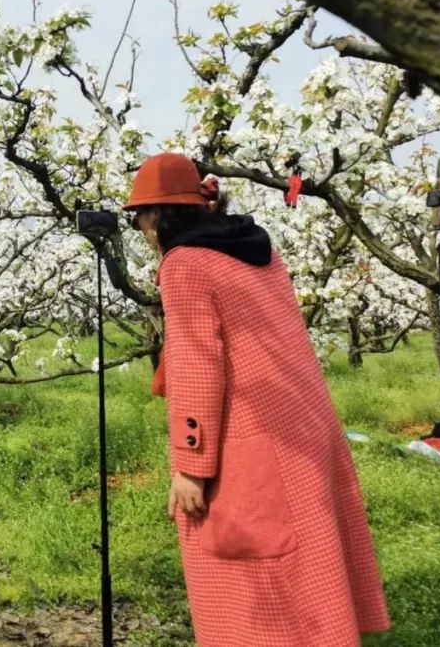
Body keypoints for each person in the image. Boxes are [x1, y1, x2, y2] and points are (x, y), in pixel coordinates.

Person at [123, 152, 389, 646]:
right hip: (304, 431)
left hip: (247, 439)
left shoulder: (184, 264)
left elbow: (199, 367)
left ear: (157, 214)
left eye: (138, 216)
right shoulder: (256, 251)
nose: (139, 228)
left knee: (251, 596)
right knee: (313, 571)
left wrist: (191, 466)